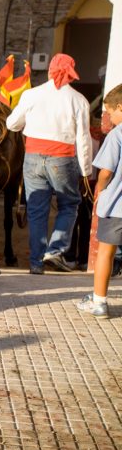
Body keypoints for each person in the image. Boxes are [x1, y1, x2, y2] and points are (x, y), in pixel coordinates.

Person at [6, 53, 92, 274]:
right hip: (62, 158)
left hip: (33, 157)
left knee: (36, 210)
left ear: (49, 70)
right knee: (70, 204)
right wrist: (86, 172)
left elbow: (12, 124)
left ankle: (36, 263)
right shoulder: (78, 100)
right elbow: (83, 139)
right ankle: (55, 251)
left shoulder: (31, 95)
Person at [76, 84, 122, 318]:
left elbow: (105, 171)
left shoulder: (117, 134)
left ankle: (100, 302)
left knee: (106, 252)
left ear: (120, 108)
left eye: (110, 112)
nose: (108, 117)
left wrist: (100, 190)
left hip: (117, 206)